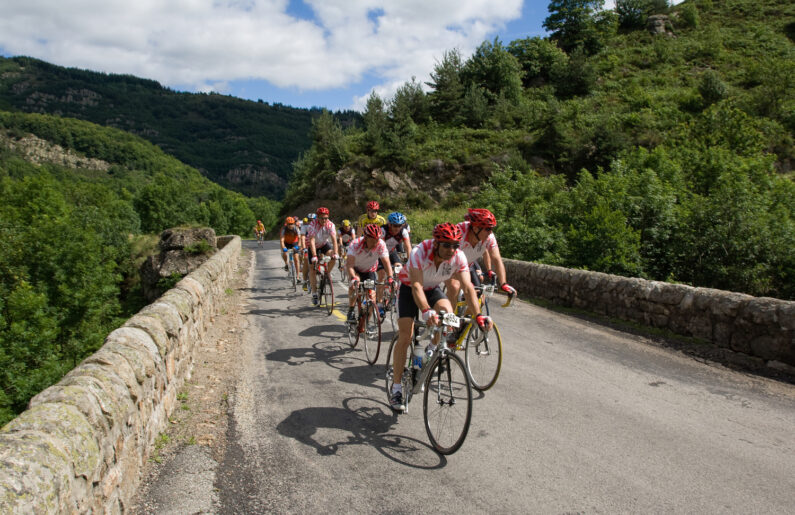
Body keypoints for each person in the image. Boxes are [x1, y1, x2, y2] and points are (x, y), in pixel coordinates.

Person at [389, 223, 492, 412]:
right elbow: (417, 286)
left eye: (455, 245)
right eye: (446, 245)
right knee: (406, 336)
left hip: (432, 289)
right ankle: (396, 388)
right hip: (409, 289)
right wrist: (427, 311)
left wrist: (478, 316)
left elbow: (468, 288)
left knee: (447, 315)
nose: (451, 250)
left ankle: (432, 349)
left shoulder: (458, 256)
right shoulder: (419, 252)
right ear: (436, 244)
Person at [444, 208, 517, 310]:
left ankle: (463, 324)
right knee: (454, 287)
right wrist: (466, 285)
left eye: (491, 229)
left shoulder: (489, 237)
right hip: (449, 264)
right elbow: (449, 259)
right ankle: (447, 323)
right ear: (475, 228)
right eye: (487, 229)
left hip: (467, 266)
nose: (490, 232)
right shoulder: (459, 232)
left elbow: (496, 259)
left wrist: (504, 283)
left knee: (480, 301)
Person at [345, 224, 394, 322]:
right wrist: (353, 278)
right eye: (373, 239)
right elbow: (349, 265)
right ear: (366, 237)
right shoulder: (355, 244)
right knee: (354, 284)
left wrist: (390, 277)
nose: (376, 242)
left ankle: (367, 323)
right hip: (355, 269)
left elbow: (386, 263)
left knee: (372, 297)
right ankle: (351, 310)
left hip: (369, 270)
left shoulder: (380, 244)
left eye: (377, 239)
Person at [377, 212, 411, 315]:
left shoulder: (403, 231)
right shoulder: (383, 230)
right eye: (395, 226)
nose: (397, 228)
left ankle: (393, 293)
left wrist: (410, 262)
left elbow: (408, 247)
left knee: (399, 269)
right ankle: (379, 303)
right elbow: (381, 248)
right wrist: (388, 268)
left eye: (399, 226)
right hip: (380, 253)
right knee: (382, 275)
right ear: (389, 224)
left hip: (391, 252)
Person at [307, 207, 339, 306]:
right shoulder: (312, 225)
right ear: (317, 218)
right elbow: (312, 241)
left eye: (326, 218)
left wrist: (336, 253)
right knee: (312, 268)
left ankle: (327, 274)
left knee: (333, 257)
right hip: (313, 246)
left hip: (324, 244)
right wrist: (315, 256)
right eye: (321, 218)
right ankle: (314, 293)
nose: (324, 220)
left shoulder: (330, 225)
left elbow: (334, 239)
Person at [300, 214, 315, 290]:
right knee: (306, 259)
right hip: (307, 245)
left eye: (312, 220)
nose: (311, 221)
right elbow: (302, 237)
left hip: (316, 246)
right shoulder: (305, 227)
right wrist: (303, 247)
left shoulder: (319, 226)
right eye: (309, 220)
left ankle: (326, 273)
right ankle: (305, 281)